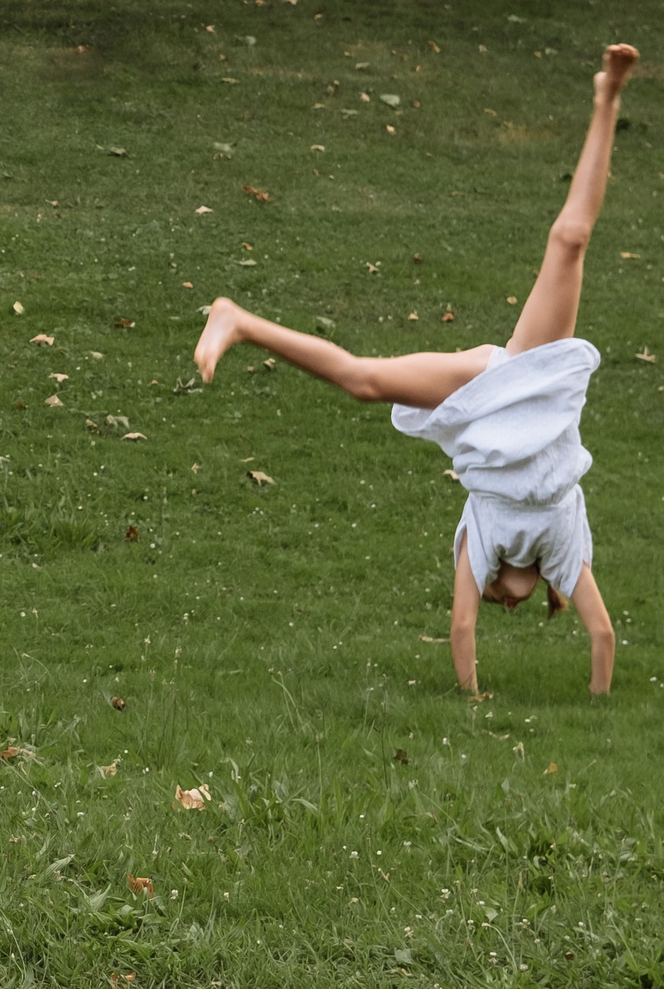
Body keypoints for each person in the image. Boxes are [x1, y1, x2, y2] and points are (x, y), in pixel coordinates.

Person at [192, 43, 638, 698]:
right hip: (523, 379)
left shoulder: (482, 544)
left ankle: (240, 319)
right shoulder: (566, 548)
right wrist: (593, 697)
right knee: (568, 239)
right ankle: (609, 95)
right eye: (512, 600)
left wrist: (474, 696)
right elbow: (602, 636)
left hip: (489, 400)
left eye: (497, 602)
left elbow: (461, 626)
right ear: (538, 585)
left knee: (362, 381)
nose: (503, 604)